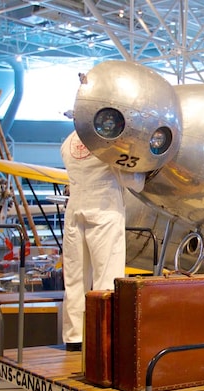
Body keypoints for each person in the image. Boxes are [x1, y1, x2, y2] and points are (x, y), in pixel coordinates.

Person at [60, 130, 145, 351]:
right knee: (106, 277)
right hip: (104, 209)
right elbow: (131, 180)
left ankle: (74, 337)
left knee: (75, 278)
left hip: (75, 209)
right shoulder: (109, 141)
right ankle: (103, 339)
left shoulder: (69, 141)